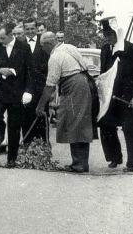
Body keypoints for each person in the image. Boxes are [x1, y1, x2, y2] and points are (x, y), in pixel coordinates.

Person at [36, 32, 98, 173]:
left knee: (74, 123)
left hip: (74, 85)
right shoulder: (69, 47)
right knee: (79, 123)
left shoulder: (55, 56)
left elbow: (50, 85)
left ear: (48, 44)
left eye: (42, 46)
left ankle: (79, 164)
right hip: (84, 83)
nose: (42, 49)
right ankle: (81, 162)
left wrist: (40, 106)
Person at [98, 17, 133, 172]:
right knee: (105, 125)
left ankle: (132, 163)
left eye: (110, 34)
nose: (108, 38)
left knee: (130, 128)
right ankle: (114, 157)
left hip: (128, 96)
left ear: (117, 33)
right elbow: (104, 73)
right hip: (111, 97)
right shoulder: (105, 50)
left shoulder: (131, 49)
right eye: (105, 35)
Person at [0, 22, 33, 168]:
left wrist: (28, 90)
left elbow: (30, 70)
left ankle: (11, 159)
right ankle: (0, 127)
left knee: (14, 127)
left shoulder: (24, 47)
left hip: (16, 92)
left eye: (2, 38)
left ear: (11, 35)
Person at [22, 19, 50, 145]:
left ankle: (43, 149)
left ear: (36, 28)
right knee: (26, 119)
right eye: (27, 29)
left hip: (41, 87)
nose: (30, 31)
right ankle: (27, 149)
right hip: (26, 88)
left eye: (32, 28)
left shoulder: (43, 42)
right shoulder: (20, 43)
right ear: (24, 29)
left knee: (41, 118)